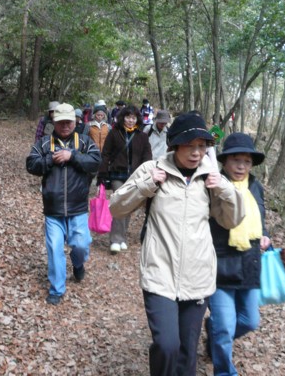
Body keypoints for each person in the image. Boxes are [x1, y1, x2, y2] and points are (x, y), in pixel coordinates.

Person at [109, 112, 243, 376]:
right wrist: (148, 184)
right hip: (160, 273)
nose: (196, 152)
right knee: (167, 345)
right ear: (174, 145)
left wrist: (226, 189)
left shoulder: (210, 177)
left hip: (198, 277)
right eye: (189, 145)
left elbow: (233, 220)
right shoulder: (152, 170)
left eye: (202, 146)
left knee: (187, 352)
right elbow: (117, 207)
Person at [206, 132, 271, 375]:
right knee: (224, 327)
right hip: (221, 263)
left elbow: (260, 218)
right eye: (236, 160)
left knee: (249, 321)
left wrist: (265, 234)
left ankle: (213, 335)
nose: (241, 166)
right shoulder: (213, 185)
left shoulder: (255, 186)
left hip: (250, 262)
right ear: (225, 161)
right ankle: (225, 371)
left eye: (246, 161)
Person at [26, 103, 102, 305]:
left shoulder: (84, 142)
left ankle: (78, 264)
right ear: (54, 122)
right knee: (54, 248)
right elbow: (31, 164)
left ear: (75, 122)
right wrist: (50, 160)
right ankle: (57, 289)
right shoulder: (44, 143)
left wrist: (73, 156)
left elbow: (96, 162)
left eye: (69, 121)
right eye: (61, 122)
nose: (65, 125)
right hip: (53, 208)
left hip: (78, 207)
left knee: (81, 244)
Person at [97, 105, 152, 254]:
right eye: (128, 117)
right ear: (123, 118)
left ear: (137, 119)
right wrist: (102, 174)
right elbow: (106, 154)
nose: (130, 120)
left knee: (129, 205)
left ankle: (122, 236)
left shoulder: (142, 136)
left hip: (135, 176)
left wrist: (146, 173)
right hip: (117, 174)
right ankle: (115, 239)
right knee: (120, 202)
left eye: (133, 118)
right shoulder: (114, 133)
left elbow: (147, 156)